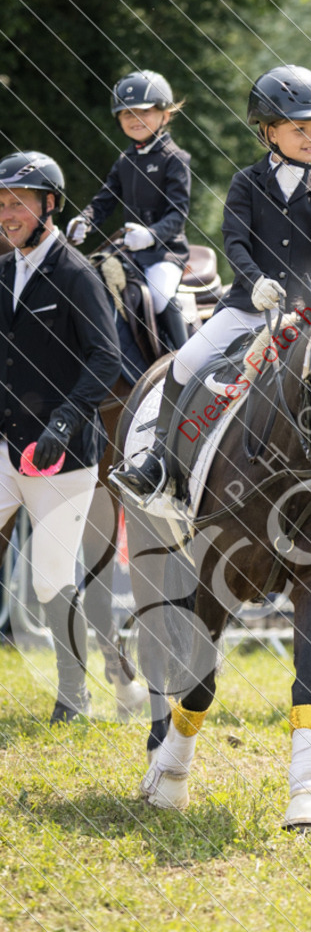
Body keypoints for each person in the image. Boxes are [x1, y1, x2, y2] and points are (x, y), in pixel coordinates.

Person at [116, 63, 311, 499]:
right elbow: (235, 243)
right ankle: (160, 460)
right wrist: (256, 282)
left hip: (303, 315)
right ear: (269, 132)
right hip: (246, 309)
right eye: (301, 129)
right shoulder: (246, 183)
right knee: (184, 362)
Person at [0, 151, 121, 723]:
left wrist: (67, 418)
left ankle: (74, 693)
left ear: (50, 204)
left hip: (63, 457)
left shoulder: (76, 273)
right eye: (1, 203)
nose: (7, 211)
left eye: (18, 200)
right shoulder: (3, 272)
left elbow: (106, 357)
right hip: (6, 448)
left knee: (51, 581)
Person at [66, 69, 190, 353]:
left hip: (164, 253)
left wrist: (150, 236)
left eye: (144, 112)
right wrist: (83, 221)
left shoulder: (176, 160)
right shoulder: (126, 160)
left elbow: (177, 214)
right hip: (129, 252)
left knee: (160, 296)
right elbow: (103, 201)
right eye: (126, 114)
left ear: (165, 115)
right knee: (88, 281)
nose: (135, 120)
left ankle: (187, 364)